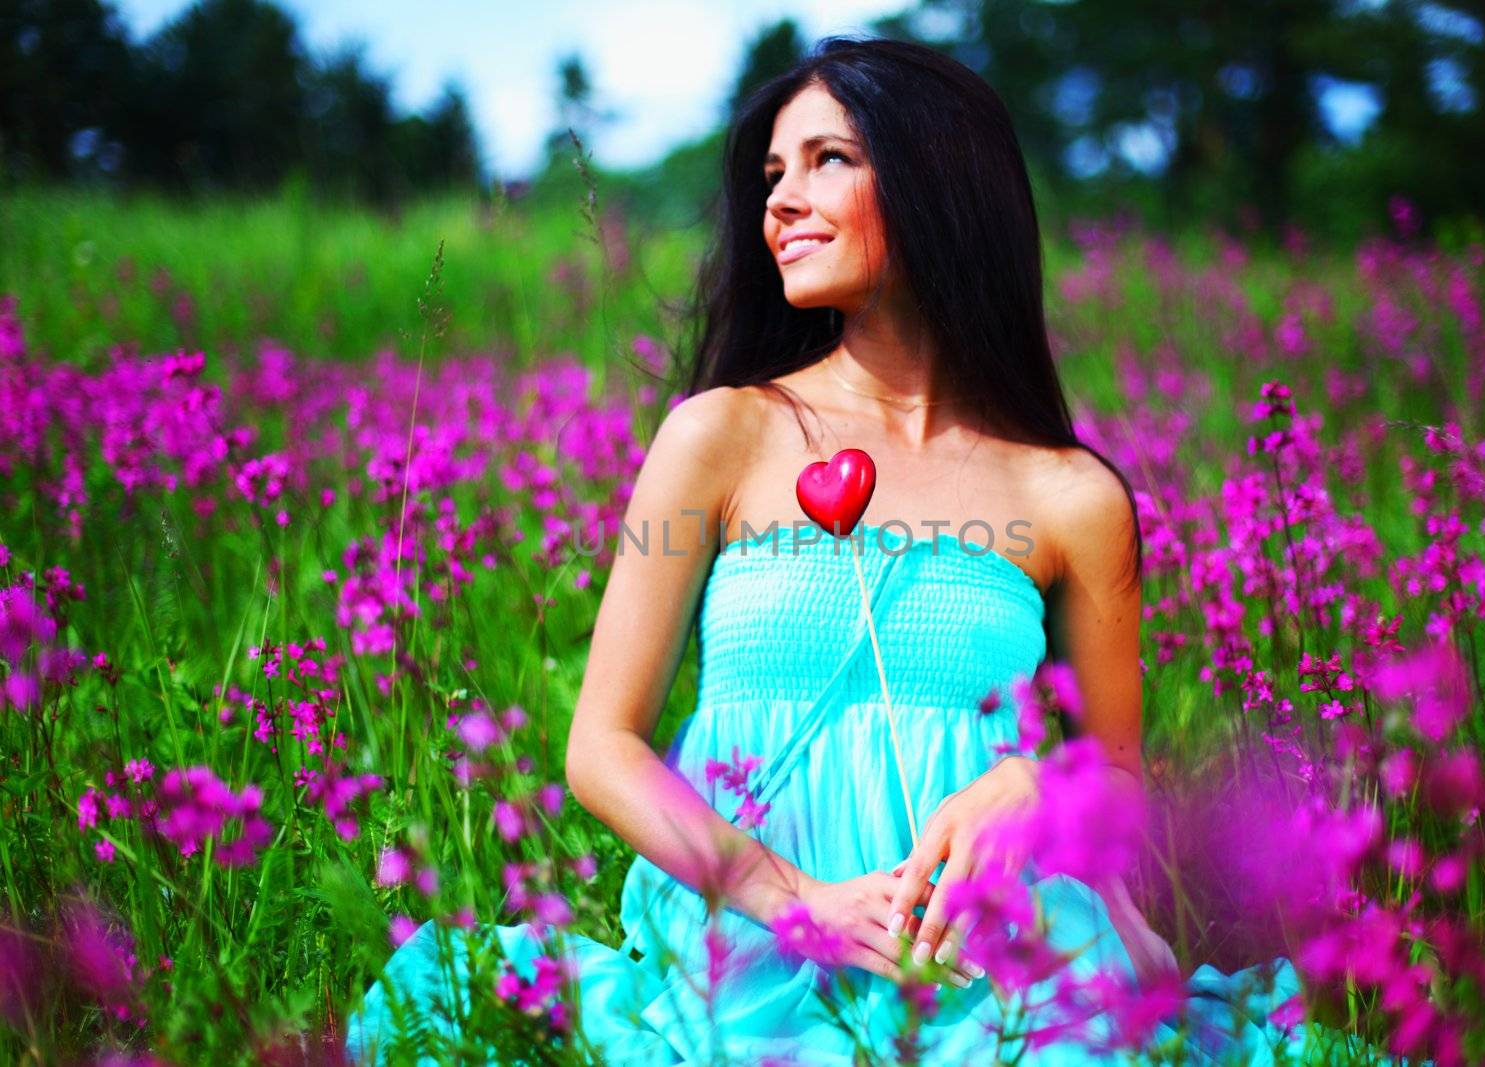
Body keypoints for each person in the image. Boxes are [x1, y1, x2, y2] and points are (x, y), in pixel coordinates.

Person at [346, 36, 1343, 1066]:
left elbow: (1119, 782)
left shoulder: (1071, 495)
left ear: (937, 181)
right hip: (748, 951)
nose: (778, 201)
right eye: (773, 173)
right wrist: (796, 900)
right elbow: (602, 746)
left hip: (989, 958)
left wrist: (1040, 785)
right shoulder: (719, 436)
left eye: (828, 160)